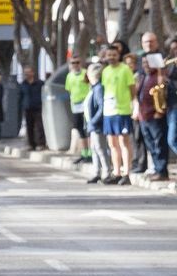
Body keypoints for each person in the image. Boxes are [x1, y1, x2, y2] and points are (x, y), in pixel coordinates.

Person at [99, 44, 135, 184]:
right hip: (109, 111)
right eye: (109, 55)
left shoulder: (125, 69)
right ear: (106, 56)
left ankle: (127, 172)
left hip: (122, 110)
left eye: (114, 55)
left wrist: (133, 104)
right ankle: (117, 172)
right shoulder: (106, 71)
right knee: (112, 143)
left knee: (123, 141)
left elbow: (132, 89)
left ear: (118, 55)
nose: (111, 57)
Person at [135, 52, 169, 181]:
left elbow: (162, 89)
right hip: (144, 116)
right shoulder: (143, 76)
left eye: (148, 63)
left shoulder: (159, 76)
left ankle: (162, 171)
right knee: (151, 145)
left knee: (159, 144)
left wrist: (160, 69)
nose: (146, 65)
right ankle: (156, 169)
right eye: (144, 63)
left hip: (155, 115)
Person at [64, 55, 91, 163]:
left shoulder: (86, 73)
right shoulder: (69, 76)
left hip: (85, 105)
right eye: (73, 63)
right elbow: (69, 90)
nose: (75, 65)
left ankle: (91, 153)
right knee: (80, 130)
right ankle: (84, 153)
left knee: (87, 129)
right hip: (75, 105)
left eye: (77, 62)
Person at [18, 66, 45, 151]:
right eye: (25, 73)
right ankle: (31, 144)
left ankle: (41, 144)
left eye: (28, 72)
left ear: (33, 73)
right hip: (27, 108)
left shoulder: (40, 83)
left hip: (38, 107)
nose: (26, 74)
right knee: (29, 127)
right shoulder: (23, 84)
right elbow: (20, 96)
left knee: (39, 126)